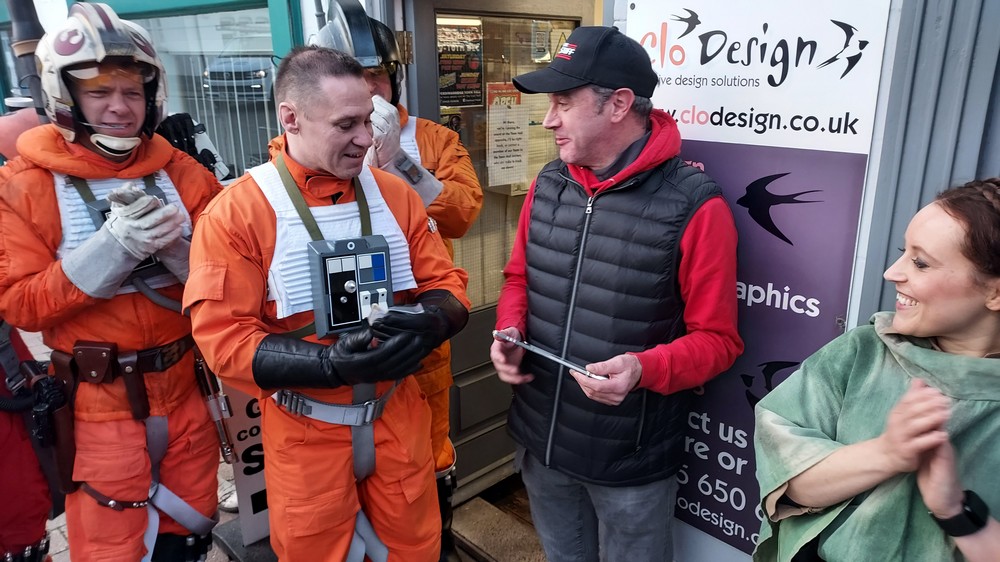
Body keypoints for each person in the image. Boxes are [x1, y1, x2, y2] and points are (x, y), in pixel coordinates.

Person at [184, 45, 470, 562]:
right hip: (305, 427)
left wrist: (436, 318)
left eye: (368, 120)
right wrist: (328, 364)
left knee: (417, 549)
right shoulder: (239, 213)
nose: (367, 138)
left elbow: (445, 280)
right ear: (290, 118)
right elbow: (222, 339)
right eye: (346, 125)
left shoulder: (395, 195)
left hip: (398, 412)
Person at [489, 26, 743, 562]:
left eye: (563, 103)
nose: (548, 120)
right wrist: (509, 328)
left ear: (619, 104)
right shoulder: (548, 183)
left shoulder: (695, 206)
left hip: (629, 463)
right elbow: (519, 278)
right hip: (540, 440)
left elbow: (719, 341)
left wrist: (642, 370)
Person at [0, 3, 222, 560]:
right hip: (98, 405)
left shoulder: (182, 172)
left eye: (132, 91)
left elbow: (237, 276)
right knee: (111, 547)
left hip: (185, 386)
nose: (120, 107)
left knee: (191, 527)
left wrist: (178, 251)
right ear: (65, 96)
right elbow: (20, 304)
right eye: (99, 92)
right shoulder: (26, 186)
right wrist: (112, 248)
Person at [753, 179, 1000, 561]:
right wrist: (887, 453)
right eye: (904, 252)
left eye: (920, 263)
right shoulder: (861, 353)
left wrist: (956, 510)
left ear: (995, 293)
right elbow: (788, 482)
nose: (891, 273)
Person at [321, 16, 483, 561]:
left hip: (420, 330)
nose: (366, 89)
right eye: (350, 75)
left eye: (375, 75)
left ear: (394, 77)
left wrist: (398, 162)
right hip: (334, 339)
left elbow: (462, 213)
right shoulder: (306, 140)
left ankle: (435, 542)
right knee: (337, 471)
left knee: (426, 458)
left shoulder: (434, 139)